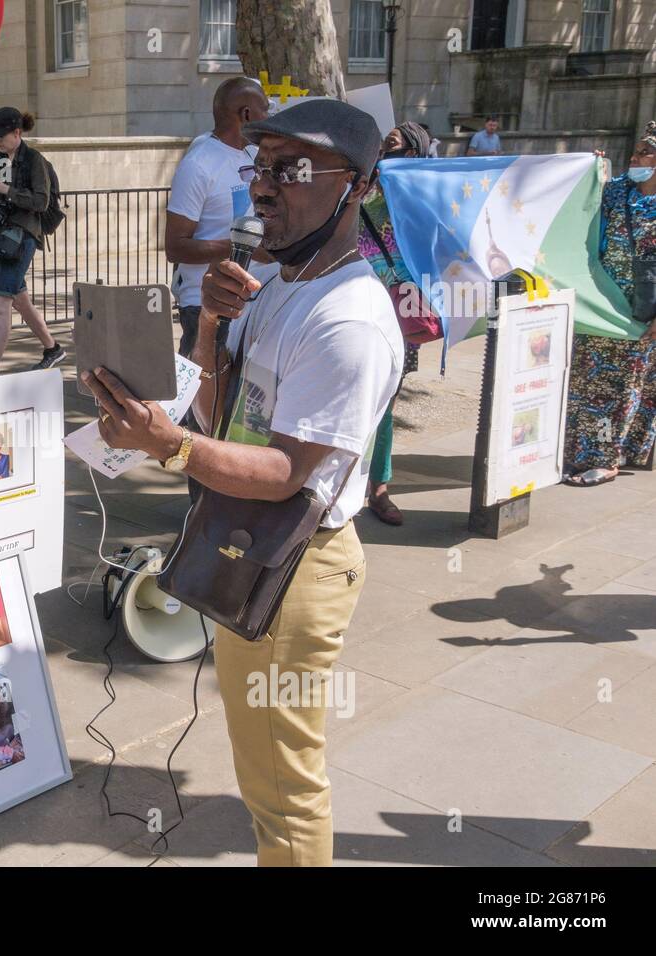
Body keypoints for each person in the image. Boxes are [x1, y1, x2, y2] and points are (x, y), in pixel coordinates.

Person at [81, 100, 402, 866]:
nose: (264, 188)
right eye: (260, 167)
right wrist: (208, 331)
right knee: (263, 772)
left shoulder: (348, 321)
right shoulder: (282, 282)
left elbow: (288, 472)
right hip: (252, 547)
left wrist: (170, 447)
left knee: (283, 789)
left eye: (290, 170)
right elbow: (231, 420)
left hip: (295, 566)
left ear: (353, 187)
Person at [563, 122, 656, 485]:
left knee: (626, 387)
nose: (635, 159)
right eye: (634, 153)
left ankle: (609, 455)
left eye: (644, 153)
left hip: (643, 313)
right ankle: (593, 450)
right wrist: (590, 169)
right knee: (593, 383)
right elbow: (584, 196)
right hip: (603, 305)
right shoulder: (618, 192)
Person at [356, 121, 432, 525]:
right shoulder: (362, 185)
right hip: (355, 302)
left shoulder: (418, 195)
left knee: (384, 402)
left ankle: (379, 488)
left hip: (399, 311)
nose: (385, 155)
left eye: (393, 148)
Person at [166, 76, 270, 357]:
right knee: (197, 397)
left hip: (246, 300)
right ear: (247, 114)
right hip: (203, 303)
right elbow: (175, 246)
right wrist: (242, 247)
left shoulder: (251, 154)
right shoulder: (198, 165)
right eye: (265, 109)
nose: (269, 115)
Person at [0, 106, 65, 374]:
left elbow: (40, 201)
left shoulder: (34, 159)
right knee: (20, 299)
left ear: (17, 133)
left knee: (2, 303)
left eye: (0, 136)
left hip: (23, 237)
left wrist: (6, 189)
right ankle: (53, 349)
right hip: (2, 237)